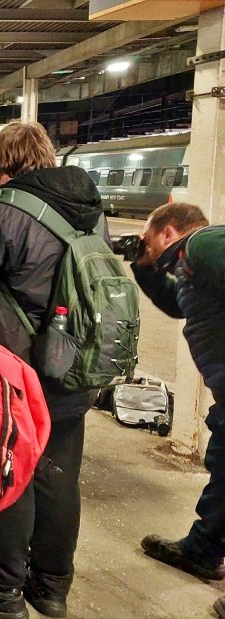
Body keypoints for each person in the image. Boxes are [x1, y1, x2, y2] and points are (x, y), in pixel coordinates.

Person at [0, 121, 104, 619]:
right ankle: (50, 587)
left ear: (1, 164)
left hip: (18, 372)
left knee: (10, 472)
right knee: (58, 476)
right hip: (73, 368)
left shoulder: (10, 210)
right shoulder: (90, 213)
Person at [132, 203, 225, 617]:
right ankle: (202, 551)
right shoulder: (189, 262)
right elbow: (177, 304)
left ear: (168, 232)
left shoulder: (205, 243)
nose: (147, 247)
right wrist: (144, 267)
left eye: (148, 240)